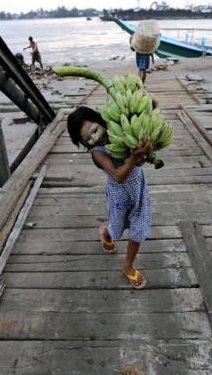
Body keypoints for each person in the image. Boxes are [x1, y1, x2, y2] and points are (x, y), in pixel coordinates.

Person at [67, 106, 152, 289]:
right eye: (88, 138)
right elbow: (118, 176)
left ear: (101, 119)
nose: (95, 138)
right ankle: (106, 232)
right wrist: (133, 158)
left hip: (138, 188)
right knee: (117, 226)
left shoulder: (120, 130)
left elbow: (146, 112)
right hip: (119, 194)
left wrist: (150, 105)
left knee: (138, 229)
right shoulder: (98, 152)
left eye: (95, 130)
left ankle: (128, 266)